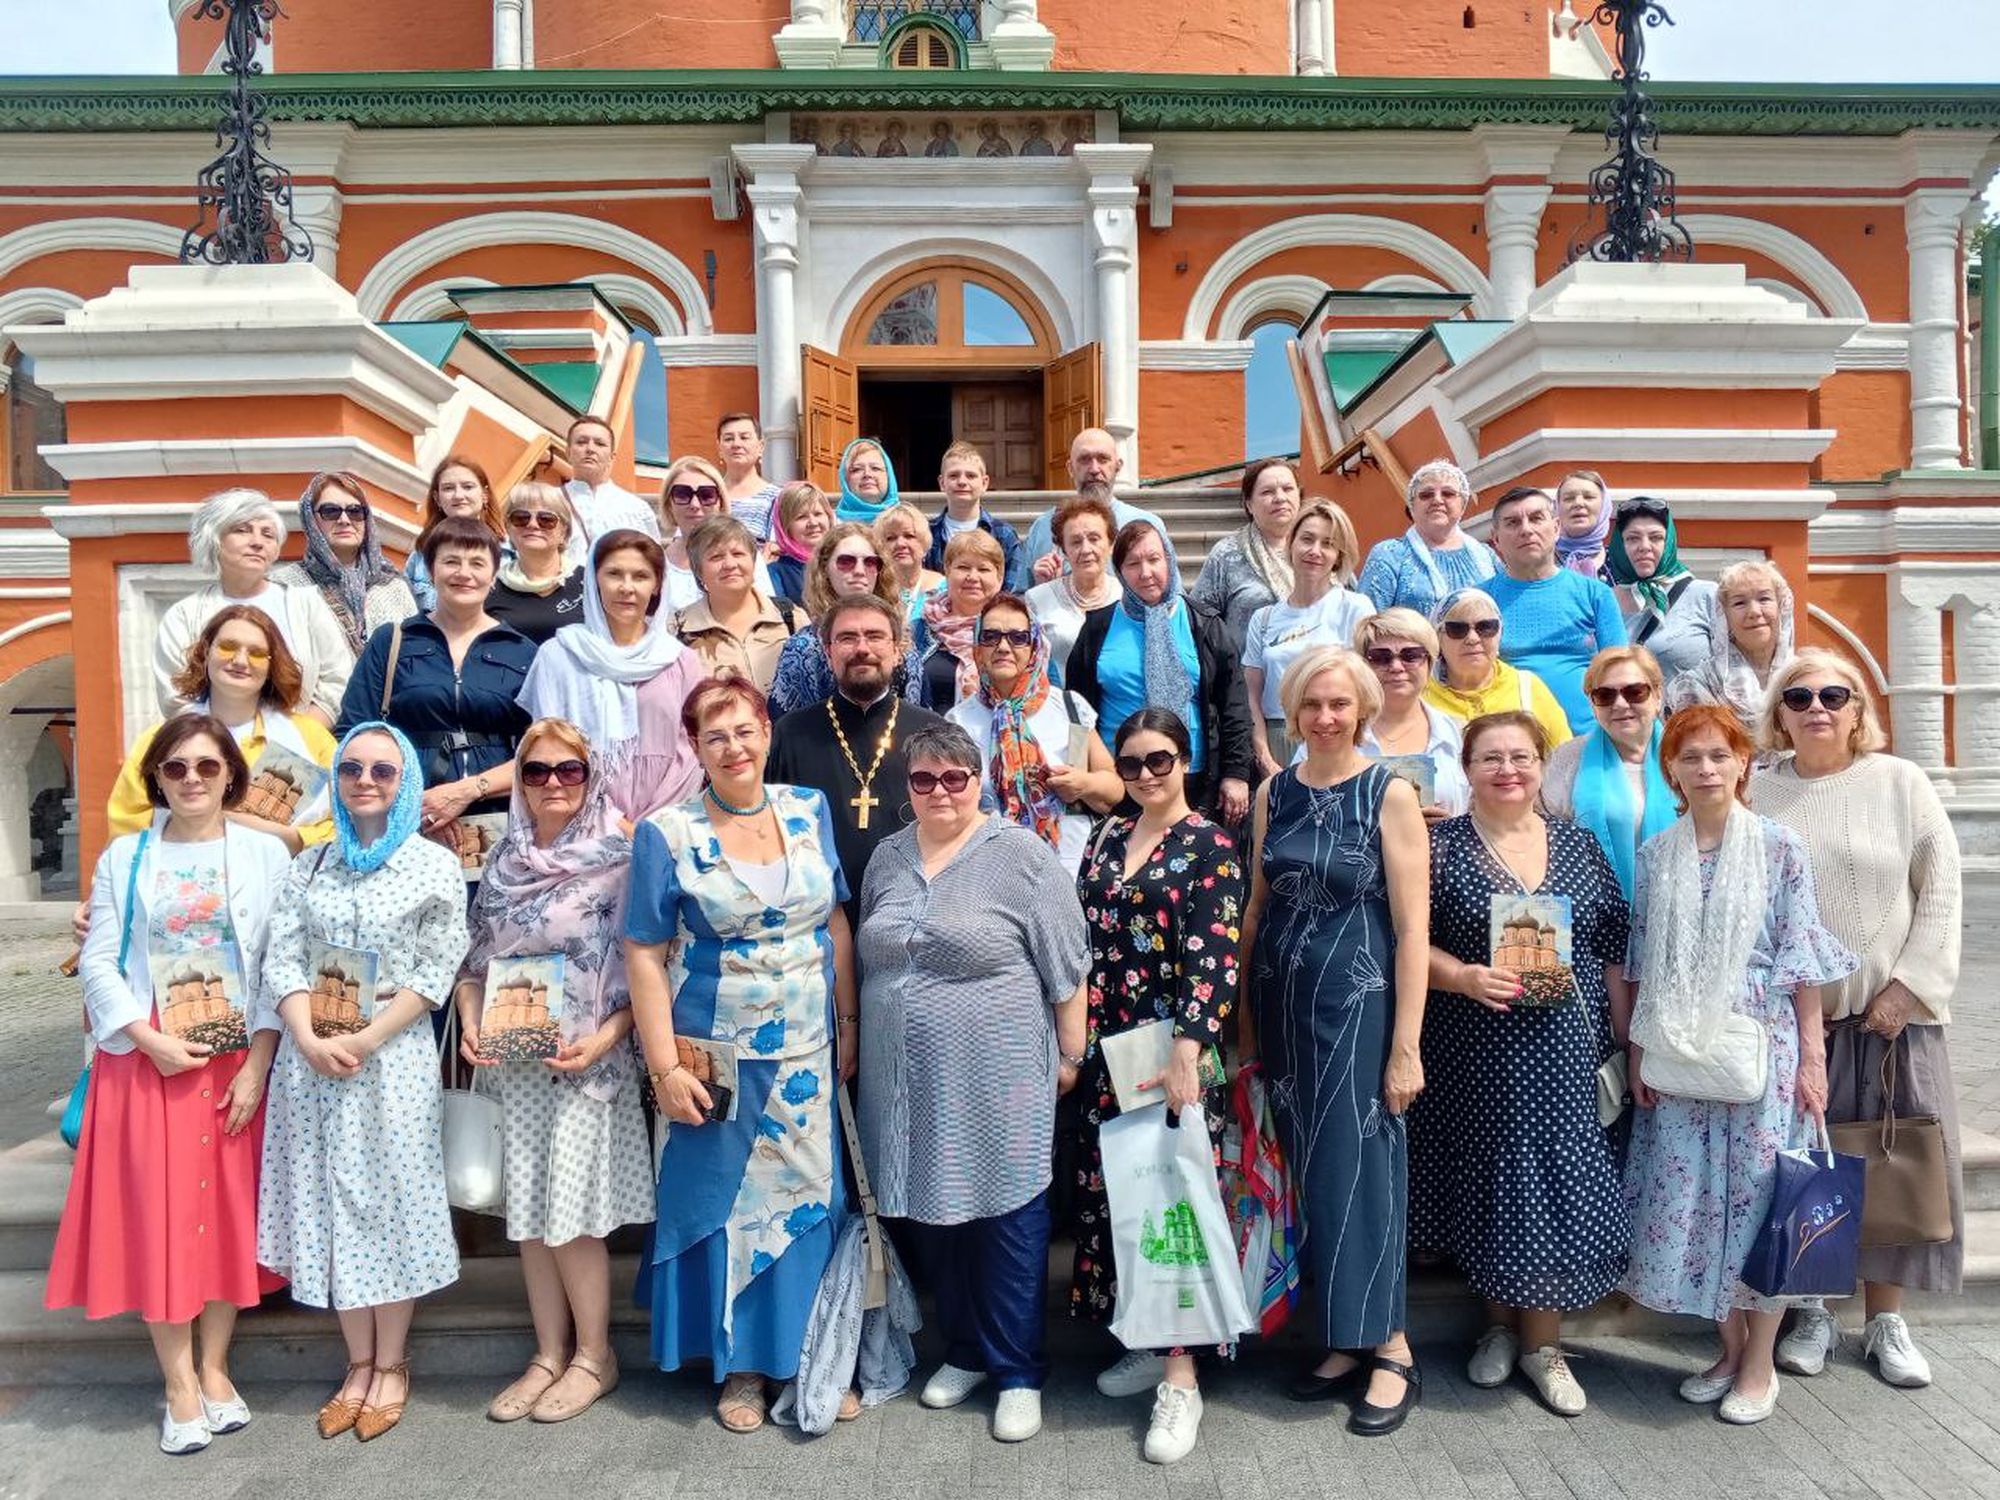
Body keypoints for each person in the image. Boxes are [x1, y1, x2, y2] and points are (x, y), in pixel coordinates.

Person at [47, 714, 293, 1454]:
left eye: (207, 767)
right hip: (149, 1053)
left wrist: (258, 1063)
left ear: (231, 776)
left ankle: (215, 1366)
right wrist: (147, 1040)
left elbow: (278, 964)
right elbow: (98, 961)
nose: (191, 779)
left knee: (224, 1214)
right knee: (160, 1213)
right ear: (156, 775)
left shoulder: (264, 854)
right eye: (176, 767)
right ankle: (178, 1382)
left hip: (234, 1052)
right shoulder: (126, 855)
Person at [623, 675, 854, 1434]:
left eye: (745, 730)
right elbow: (644, 952)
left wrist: (850, 1024)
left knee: (807, 1200)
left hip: (808, 1049)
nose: (733, 748)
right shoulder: (666, 833)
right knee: (726, 1207)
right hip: (713, 1057)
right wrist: (664, 1067)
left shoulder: (808, 809)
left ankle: (810, 1357)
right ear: (695, 746)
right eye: (715, 736)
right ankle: (743, 1368)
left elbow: (835, 923)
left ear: (766, 732)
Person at [855, 721, 1090, 1445]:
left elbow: (1067, 963)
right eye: (923, 779)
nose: (940, 792)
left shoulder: (1021, 855)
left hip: (1000, 1073)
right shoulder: (888, 856)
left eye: (954, 778)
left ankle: (1017, 1370)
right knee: (933, 1213)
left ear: (978, 780)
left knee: (1006, 1215)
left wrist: (1070, 1057)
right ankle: (965, 1350)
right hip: (906, 1081)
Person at [1621, 704, 1855, 1426]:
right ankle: (1726, 1349)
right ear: (1671, 769)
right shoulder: (1657, 853)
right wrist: (1638, 1053)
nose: (1706, 769)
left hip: (1760, 1039)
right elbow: (1641, 955)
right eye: (1690, 757)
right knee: (1690, 1199)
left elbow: (1801, 957)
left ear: (1744, 762)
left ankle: (1759, 1364)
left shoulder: (1779, 846)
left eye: (1719, 755)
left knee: (1760, 1199)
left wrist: (1812, 1058)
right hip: (1678, 1044)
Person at [1749, 650, 1965, 1389]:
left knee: (1891, 1167)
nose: (1817, 707)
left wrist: (1908, 988)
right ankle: (1814, 1309)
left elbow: (1941, 889)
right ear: (1779, 714)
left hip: (1891, 1022)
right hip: (1797, 1022)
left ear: (1857, 710)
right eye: (1799, 696)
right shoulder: (1758, 790)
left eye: (1833, 696)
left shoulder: (1900, 782)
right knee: (1810, 1167)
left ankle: (1885, 1320)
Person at [1414, 710, 1633, 1417]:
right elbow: (1404, 940)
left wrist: (1624, 1041)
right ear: (1467, 770)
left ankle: (1545, 1346)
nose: (1507, 770)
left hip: (1564, 1048)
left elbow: (1611, 947)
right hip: (1473, 1045)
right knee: (1490, 1177)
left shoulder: (1578, 843)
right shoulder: (1439, 846)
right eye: (1490, 758)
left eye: (1520, 757)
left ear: (1542, 766)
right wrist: (1463, 976)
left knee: (1551, 1183)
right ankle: (1499, 1329)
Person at [257, 721, 472, 1441]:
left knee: (390, 1202)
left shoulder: (431, 866)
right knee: (331, 1203)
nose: (365, 782)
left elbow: (436, 967)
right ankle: (356, 1363)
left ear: (405, 779)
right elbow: (283, 957)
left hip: (391, 1057)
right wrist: (306, 1035)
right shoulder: (311, 863)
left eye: (383, 770)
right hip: (312, 1056)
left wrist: (368, 1037)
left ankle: (391, 1362)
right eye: (352, 769)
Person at [1239, 647, 1428, 1436]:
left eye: (1338, 704)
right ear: (1292, 712)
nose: (1324, 718)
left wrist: (1406, 1046)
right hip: (1281, 1003)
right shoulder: (1273, 792)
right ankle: (1345, 1338)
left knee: (1360, 1166)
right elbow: (1256, 907)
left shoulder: (1390, 792)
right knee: (1307, 1169)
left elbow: (1412, 929)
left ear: (1361, 710)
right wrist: (1243, 1024)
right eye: (1310, 705)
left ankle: (1392, 1347)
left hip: (1356, 1006)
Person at [454, 719, 654, 1426]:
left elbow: (649, 967)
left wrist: (605, 1039)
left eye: (569, 770)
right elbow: (474, 966)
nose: (553, 784)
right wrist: (471, 1022)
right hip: (515, 1064)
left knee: (572, 1219)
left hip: (585, 1062)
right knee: (531, 1220)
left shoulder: (622, 857)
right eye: (536, 771)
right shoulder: (503, 860)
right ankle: (547, 1353)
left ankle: (593, 1356)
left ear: (591, 778)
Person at [1070, 709, 1243, 1464]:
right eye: (1132, 763)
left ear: (1185, 759)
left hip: (1170, 1048)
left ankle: (1182, 1378)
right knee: (1123, 1195)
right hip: (1108, 1047)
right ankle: (1145, 1339)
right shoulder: (1108, 835)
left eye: (1160, 760)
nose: (1145, 775)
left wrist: (1188, 1051)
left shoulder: (1210, 845)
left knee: (1173, 1204)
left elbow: (1216, 956)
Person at [339, 517, 534, 843]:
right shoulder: (392, 641)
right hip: (407, 817)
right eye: (451, 561)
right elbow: (353, 732)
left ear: (493, 575)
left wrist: (467, 791)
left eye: (477, 563)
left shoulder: (521, 651)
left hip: (498, 819)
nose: (464, 573)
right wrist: (414, 800)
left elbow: (541, 751)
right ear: (431, 570)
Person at [766, 596, 948, 928]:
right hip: (816, 917)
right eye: (847, 638)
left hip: (912, 917)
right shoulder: (792, 733)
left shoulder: (933, 731)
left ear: (897, 650)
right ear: (828, 651)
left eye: (875, 636)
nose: (862, 648)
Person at [1065, 521, 1254, 825]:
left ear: (1169, 559)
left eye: (1154, 559)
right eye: (1133, 564)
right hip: (1122, 780)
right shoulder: (1097, 628)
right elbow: (1077, 711)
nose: (1145, 573)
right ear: (1119, 571)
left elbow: (1234, 705)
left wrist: (1236, 773)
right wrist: (1081, 778)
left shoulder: (1204, 624)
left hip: (1193, 780)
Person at [111, 606, 336, 850]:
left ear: (272, 666)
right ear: (206, 652)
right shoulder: (159, 740)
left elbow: (343, 824)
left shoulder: (312, 739)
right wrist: (216, 823)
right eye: (228, 647)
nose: (240, 661)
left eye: (257, 653)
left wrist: (293, 838)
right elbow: (126, 831)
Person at [518, 531, 704, 826]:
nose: (626, 588)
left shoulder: (681, 661)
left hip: (667, 824)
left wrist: (653, 828)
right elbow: (550, 750)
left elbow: (692, 755)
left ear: (657, 585)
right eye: (614, 574)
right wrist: (614, 824)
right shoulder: (558, 656)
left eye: (640, 576)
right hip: (580, 827)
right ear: (594, 580)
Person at [947, 593, 1121, 873]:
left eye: (1018, 638)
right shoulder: (959, 722)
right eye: (991, 636)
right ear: (978, 647)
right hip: (991, 867)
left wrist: (1083, 783)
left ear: (1035, 646)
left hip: (1068, 864)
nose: (1003, 647)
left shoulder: (1069, 708)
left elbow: (1114, 787)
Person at [155, 487, 354, 723]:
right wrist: (226, 740)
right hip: (213, 741)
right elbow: (176, 697)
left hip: (297, 742)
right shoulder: (184, 616)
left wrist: (294, 737)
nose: (258, 542)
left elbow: (337, 681)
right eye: (242, 530)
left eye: (268, 534)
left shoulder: (306, 604)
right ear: (214, 539)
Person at [1241, 500, 1374, 776]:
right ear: (1291, 543)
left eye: (1328, 543)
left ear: (1338, 555)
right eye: (1307, 539)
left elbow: (1368, 689)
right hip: (1277, 741)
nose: (1315, 551)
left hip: (1333, 736)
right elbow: (1251, 696)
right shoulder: (1263, 619)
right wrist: (1265, 758)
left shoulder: (1355, 608)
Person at [1485, 486, 1628, 732]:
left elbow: (1620, 670)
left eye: (1536, 518)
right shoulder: (1479, 601)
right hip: (1509, 739)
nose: (1526, 529)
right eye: (1512, 522)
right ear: (1495, 538)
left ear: (1556, 528)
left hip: (1587, 737)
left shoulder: (1595, 594)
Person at [1541, 646, 1676, 900]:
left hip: (1677, 908)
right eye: (1605, 695)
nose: (1620, 704)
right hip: (1594, 909)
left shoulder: (1687, 754)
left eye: (1635, 692)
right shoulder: (1568, 760)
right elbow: (1544, 840)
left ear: (1658, 695)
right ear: (1592, 705)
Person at [769, 523, 923, 717]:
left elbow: (921, 717)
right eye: (846, 561)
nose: (859, 570)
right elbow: (787, 725)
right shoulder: (802, 649)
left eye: (870, 562)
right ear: (825, 569)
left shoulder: (904, 642)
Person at [272, 472, 418, 659]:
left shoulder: (394, 588)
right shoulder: (285, 585)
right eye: (330, 511)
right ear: (310, 519)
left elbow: (415, 657)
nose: (344, 520)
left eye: (355, 511)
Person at [1344, 608, 1469, 819]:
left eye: (1410, 656)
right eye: (1380, 657)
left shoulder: (1458, 733)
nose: (1396, 667)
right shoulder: (1336, 731)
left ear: (1430, 662)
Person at [1422, 588, 1571, 750]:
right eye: (1457, 629)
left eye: (1486, 627)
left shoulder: (1527, 688)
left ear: (1500, 634)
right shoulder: (1420, 695)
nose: (1472, 638)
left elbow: (1566, 757)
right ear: (1438, 638)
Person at [671, 516, 807, 693]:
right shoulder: (678, 630)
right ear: (698, 570)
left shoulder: (791, 618)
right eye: (716, 557)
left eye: (738, 554)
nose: (729, 564)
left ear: (753, 562)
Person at [1356, 459, 1497, 620]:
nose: (1437, 500)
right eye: (1426, 495)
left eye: (1448, 493)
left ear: (1463, 504)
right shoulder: (1389, 555)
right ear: (1412, 506)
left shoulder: (1486, 556)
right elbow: (1367, 623)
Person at [1666, 558, 1796, 732]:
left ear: (1782, 607)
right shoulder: (1695, 686)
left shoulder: (1804, 679)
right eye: (1739, 603)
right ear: (1723, 616)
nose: (1754, 612)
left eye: (1764, 599)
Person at [1022, 428, 1165, 584]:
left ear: (1118, 466)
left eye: (1103, 459)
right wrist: (1041, 585)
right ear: (1070, 468)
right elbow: (1019, 593)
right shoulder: (1042, 527)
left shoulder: (1148, 525)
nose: (1094, 469)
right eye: (1084, 460)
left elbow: (1172, 593)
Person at [1605, 496, 1720, 689]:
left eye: (1656, 538)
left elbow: (1732, 667)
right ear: (1619, 545)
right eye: (1633, 538)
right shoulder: (1602, 601)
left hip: (1694, 708)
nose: (1644, 547)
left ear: (1669, 542)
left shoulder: (1706, 595)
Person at [1189, 456, 1304, 642]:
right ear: (1249, 504)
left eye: (1288, 489)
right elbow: (1198, 619)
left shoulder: (1321, 548)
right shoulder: (1227, 554)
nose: (1280, 498)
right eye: (1267, 492)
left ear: (1299, 495)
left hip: (1319, 660)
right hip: (1247, 660)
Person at [659, 455, 779, 611]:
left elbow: (767, 613)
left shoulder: (745, 558)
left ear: (721, 502)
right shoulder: (656, 564)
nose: (695, 504)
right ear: (669, 504)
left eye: (706, 495)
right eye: (682, 494)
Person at [1024, 493, 1120, 683]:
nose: (1086, 549)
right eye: (1076, 542)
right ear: (1064, 550)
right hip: (1058, 698)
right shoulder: (1037, 599)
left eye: (1094, 539)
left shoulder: (1125, 597)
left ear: (1111, 544)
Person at [916, 529, 1007, 711]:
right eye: (963, 567)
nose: (972, 577)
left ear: (999, 577)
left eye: (983, 569)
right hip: (929, 727)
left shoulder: (1019, 631)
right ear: (947, 571)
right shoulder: (919, 629)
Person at [485, 481, 585, 645]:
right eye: (521, 518)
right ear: (508, 527)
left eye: (546, 519)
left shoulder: (589, 582)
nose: (532, 525)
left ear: (564, 531)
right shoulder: (489, 588)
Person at [923, 440, 1026, 591]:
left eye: (971, 476)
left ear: (984, 483)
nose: (962, 482)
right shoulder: (926, 533)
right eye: (953, 476)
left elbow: (1013, 590)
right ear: (942, 483)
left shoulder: (1004, 534)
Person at [407, 455, 504, 611]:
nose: (458, 495)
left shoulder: (509, 555)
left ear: (485, 495)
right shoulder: (420, 555)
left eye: (468, 487)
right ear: (437, 498)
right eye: (448, 488)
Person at [563, 414, 659, 548]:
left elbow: (653, 557)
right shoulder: (550, 501)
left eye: (600, 444)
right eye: (581, 442)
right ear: (568, 453)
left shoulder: (636, 509)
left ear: (611, 457)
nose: (590, 449)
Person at [874, 500, 947, 625]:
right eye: (891, 538)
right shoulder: (875, 590)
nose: (900, 544)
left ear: (924, 543)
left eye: (909, 536)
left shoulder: (944, 589)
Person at [717, 411, 780, 540]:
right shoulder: (708, 495)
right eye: (728, 439)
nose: (736, 444)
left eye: (744, 437)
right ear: (719, 448)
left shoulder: (776, 497)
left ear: (761, 446)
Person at [769, 480, 834, 604]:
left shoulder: (844, 562)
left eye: (818, 514)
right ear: (785, 526)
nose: (813, 523)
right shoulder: (776, 573)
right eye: (801, 517)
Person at [1553, 469, 1613, 580]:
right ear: (1557, 507)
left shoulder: (1622, 562)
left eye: (1588, 497)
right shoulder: (1538, 561)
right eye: (1569, 498)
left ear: (1604, 506)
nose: (1578, 503)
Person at [835, 436, 899, 526]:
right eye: (857, 469)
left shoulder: (908, 524)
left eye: (875, 468)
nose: (867, 474)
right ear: (845, 479)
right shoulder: (831, 526)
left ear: (889, 476)